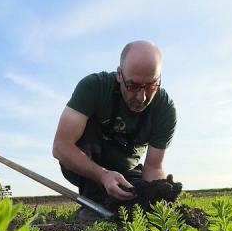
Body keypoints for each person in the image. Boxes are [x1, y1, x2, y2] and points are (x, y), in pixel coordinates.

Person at [52, 40, 177, 216]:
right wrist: (103, 175)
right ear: (119, 75)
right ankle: (94, 206)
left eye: (151, 86)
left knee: (139, 197)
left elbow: (153, 167)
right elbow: (61, 147)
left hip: (125, 173)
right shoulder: (94, 87)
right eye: (132, 86)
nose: (141, 97)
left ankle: (110, 206)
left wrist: (157, 202)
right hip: (85, 164)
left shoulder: (164, 109)